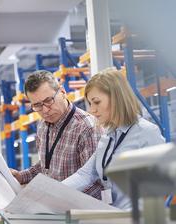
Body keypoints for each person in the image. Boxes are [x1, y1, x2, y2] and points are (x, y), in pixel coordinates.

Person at [62, 68, 165, 209]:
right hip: (114, 214)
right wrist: (50, 191)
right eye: (90, 104)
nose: (92, 109)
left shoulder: (146, 132)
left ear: (117, 98)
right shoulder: (108, 136)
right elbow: (85, 174)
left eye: (96, 102)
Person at [11, 70, 103, 198]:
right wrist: (21, 176)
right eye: (37, 105)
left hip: (79, 212)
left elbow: (95, 183)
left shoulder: (86, 128)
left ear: (62, 92)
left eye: (48, 100)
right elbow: (46, 166)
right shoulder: (43, 125)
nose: (45, 110)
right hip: (54, 209)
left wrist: (56, 197)